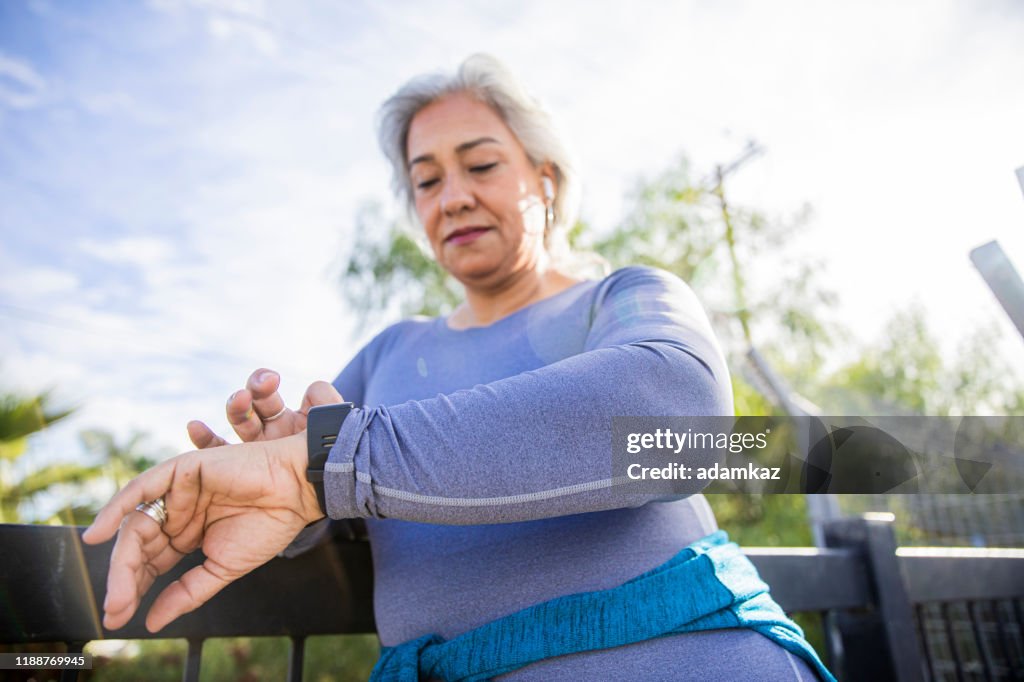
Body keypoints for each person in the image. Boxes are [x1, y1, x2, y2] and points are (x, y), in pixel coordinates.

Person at [83, 54, 834, 681]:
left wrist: (330, 460)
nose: (455, 197)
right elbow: (330, 482)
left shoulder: (624, 299)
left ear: (545, 179)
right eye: (427, 180)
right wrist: (263, 494)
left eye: (480, 164)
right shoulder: (385, 356)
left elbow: (679, 414)